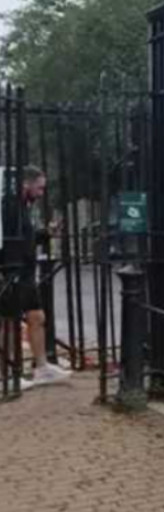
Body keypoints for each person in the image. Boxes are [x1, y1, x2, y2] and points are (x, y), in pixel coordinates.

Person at [0, 165, 70, 386]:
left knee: (36, 317)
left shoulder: (22, 207)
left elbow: (25, 239)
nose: (41, 193)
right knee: (10, 323)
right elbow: (8, 240)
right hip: (13, 270)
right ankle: (7, 373)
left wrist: (45, 233)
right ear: (26, 184)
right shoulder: (9, 207)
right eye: (39, 188)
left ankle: (41, 368)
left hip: (26, 272)